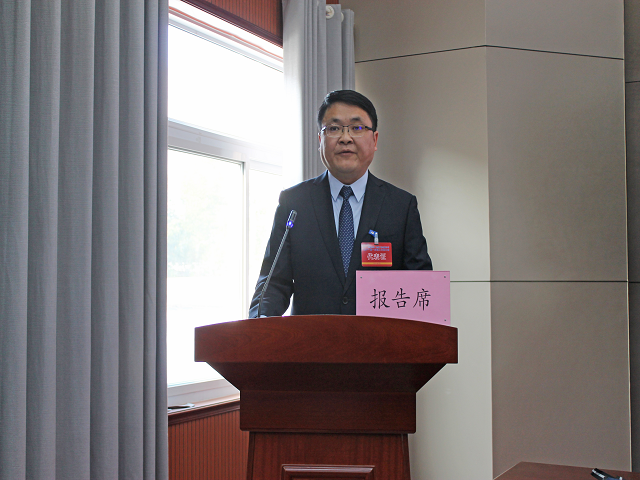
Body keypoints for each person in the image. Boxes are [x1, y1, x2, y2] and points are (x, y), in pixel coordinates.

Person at [248, 90, 432, 317]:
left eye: (357, 127)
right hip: (311, 338)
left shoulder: (401, 206)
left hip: (378, 339)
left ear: (374, 140)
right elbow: (273, 282)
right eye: (334, 129)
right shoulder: (294, 203)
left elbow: (420, 285)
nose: (345, 138)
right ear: (320, 140)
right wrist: (260, 321)